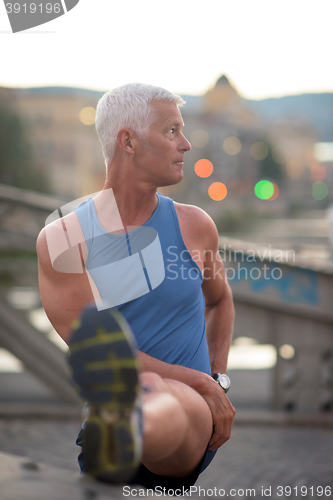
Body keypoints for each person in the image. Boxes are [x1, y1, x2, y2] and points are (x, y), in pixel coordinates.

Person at [36, 83, 235, 489]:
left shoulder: (194, 226)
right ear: (127, 141)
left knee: (153, 388)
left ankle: (134, 422)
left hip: (191, 418)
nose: (187, 145)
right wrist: (202, 380)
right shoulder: (63, 240)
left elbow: (220, 301)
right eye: (172, 131)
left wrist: (214, 380)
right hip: (111, 419)